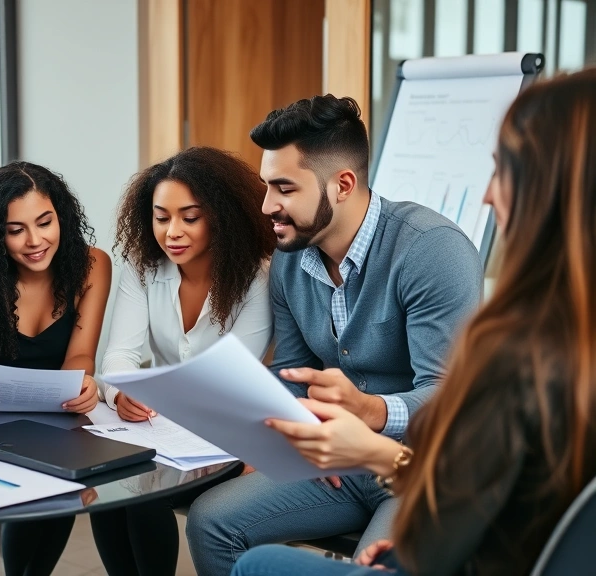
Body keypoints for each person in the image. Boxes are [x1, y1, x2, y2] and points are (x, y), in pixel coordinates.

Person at [232, 67, 596, 576]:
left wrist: (377, 436)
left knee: (262, 567)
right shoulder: (554, 336)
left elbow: (462, 487)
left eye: (504, 170)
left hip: (425, 487)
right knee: (216, 522)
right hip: (403, 490)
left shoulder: (517, 338)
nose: (488, 195)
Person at [185, 95, 484, 575]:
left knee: (376, 568)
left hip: (422, 467)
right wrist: (277, 442)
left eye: (284, 188)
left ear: (343, 185)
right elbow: (291, 372)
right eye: (266, 186)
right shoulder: (290, 259)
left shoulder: (432, 251)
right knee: (211, 521)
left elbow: (453, 395)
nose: (267, 206)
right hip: (334, 462)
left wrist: (370, 411)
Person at [90, 146, 276, 576]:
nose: (172, 231)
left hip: (228, 432)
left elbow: (230, 379)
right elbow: (118, 355)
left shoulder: (257, 276)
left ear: (221, 216)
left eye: (189, 217)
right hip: (164, 428)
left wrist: (148, 390)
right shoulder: (143, 268)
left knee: (141, 490)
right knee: (108, 484)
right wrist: (122, 393)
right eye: (161, 217)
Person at [0, 162, 112, 576]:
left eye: (45, 222)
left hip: (61, 414)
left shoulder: (92, 265)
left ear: (62, 216)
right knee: (34, 483)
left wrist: (83, 383)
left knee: (63, 479)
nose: (34, 240)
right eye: (15, 229)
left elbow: (81, 354)